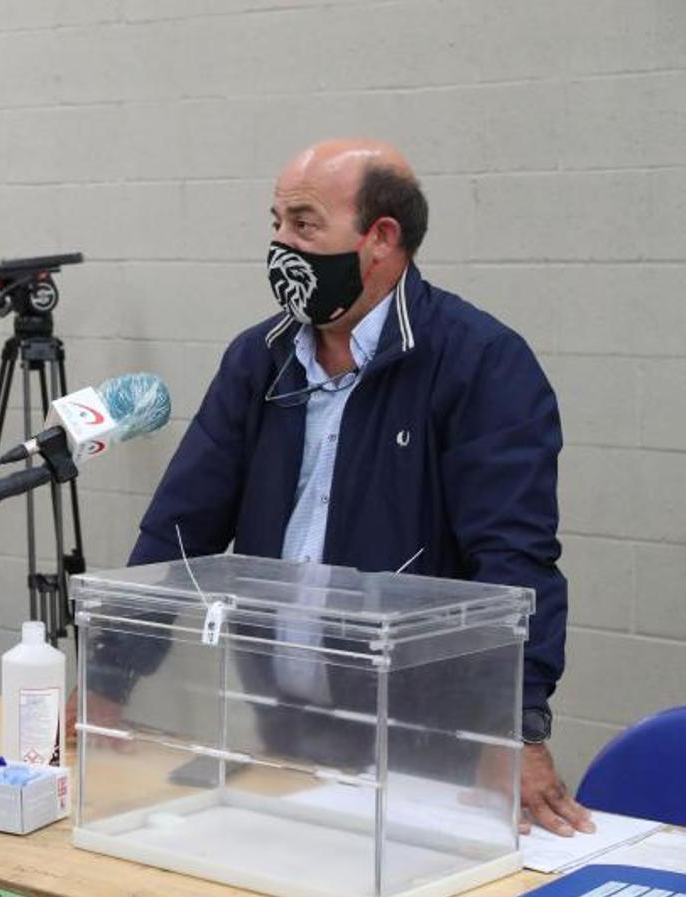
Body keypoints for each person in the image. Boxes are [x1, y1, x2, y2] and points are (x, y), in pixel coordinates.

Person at [86, 138, 593, 838]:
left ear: (379, 238)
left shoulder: (478, 363)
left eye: (303, 222)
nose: (279, 245)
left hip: (426, 747)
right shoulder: (257, 361)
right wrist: (106, 681)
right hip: (277, 733)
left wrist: (514, 732)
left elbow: (514, 564)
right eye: (274, 222)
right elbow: (178, 531)